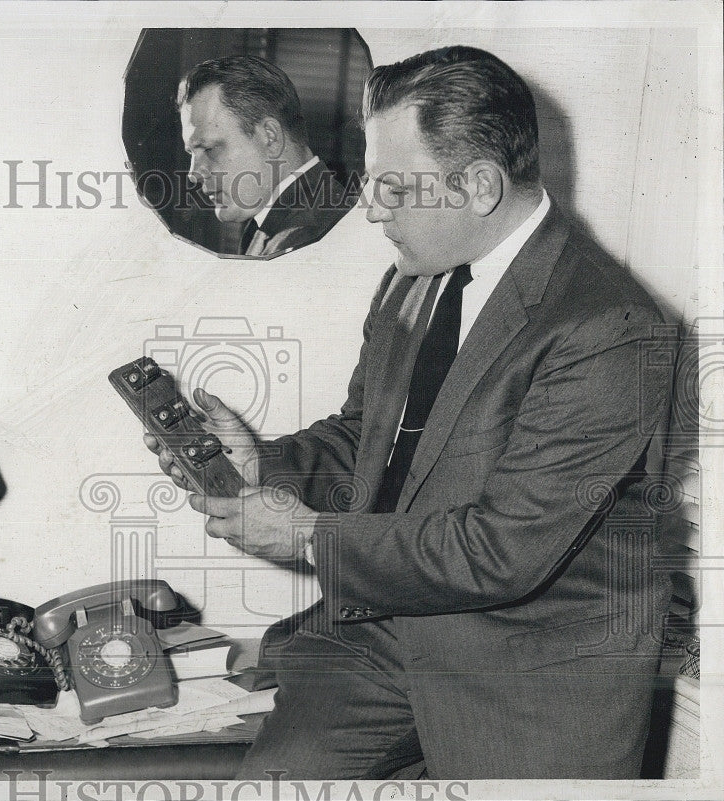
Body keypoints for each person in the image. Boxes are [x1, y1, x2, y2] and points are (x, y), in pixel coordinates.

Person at [146, 45, 675, 779]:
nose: (370, 209)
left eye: (394, 187)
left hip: (524, 670)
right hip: (380, 633)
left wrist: (305, 535)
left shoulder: (608, 328)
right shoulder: (411, 282)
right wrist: (259, 463)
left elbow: (499, 551)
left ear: (481, 186)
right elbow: (367, 440)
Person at [178, 55, 355, 257]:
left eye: (210, 149)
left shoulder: (302, 240)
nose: (193, 174)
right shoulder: (279, 224)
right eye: (191, 152)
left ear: (270, 137)